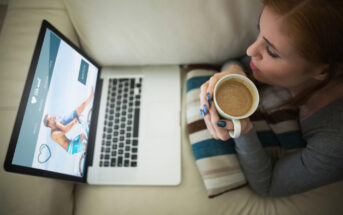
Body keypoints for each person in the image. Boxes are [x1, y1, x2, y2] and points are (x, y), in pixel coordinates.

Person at [200, 0, 343, 197]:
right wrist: (233, 72)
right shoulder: (293, 62)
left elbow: (269, 185)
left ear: (323, 69)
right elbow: (238, 61)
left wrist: (243, 129)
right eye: (260, 31)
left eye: (272, 52)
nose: (250, 50)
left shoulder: (335, 140)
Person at [43, 88, 94, 155]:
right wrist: (73, 122)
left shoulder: (57, 123)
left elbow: (65, 121)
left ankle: (91, 96)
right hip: (71, 148)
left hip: (72, 141)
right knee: (87, 146)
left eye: (52, 116)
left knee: (85, 134)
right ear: (49, 124)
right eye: (51, 118)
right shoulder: (53, 135)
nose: (53, 117)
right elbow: (65, 131)